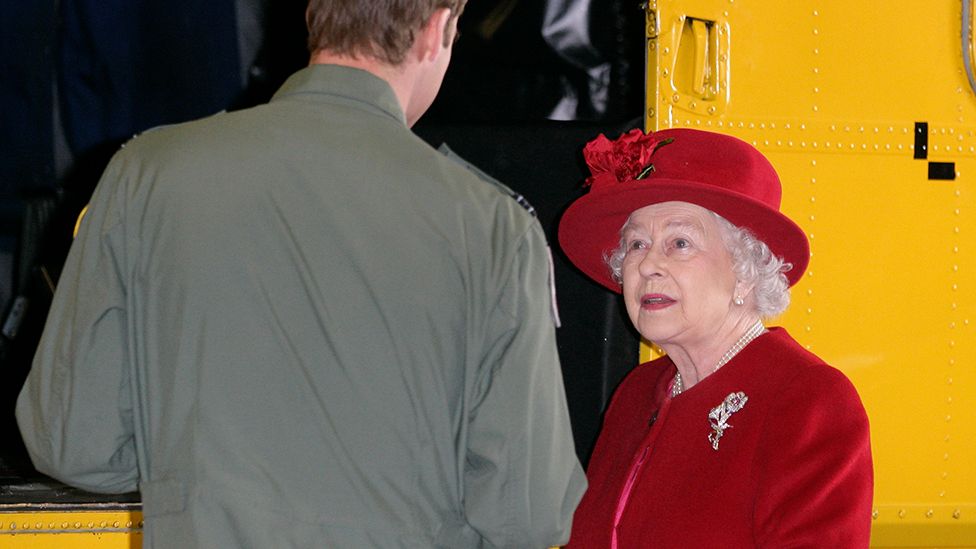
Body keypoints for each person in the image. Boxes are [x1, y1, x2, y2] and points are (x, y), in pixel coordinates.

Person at [15, 1, 586, 547]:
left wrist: (198, 477)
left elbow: (72, 444)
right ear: (437, 30)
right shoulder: (492, 227)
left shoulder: (146, 174)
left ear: (315, 18)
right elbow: (527, 515)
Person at [557, 128, 873, 547]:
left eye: (680, 242)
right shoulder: (637, 392)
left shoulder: (809, 400)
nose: (648, 264)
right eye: (636, 244)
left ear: (745, 269)